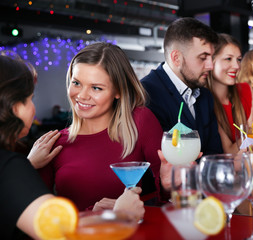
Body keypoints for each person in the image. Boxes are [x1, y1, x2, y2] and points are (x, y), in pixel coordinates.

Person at [0, 55, 144, 239]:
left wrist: (27, 166)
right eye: (29, 99)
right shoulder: (10, 167)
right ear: (12, 107)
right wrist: (120, 215)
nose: (33, 108)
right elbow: (63, 234)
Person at [37, 42, 163, 211]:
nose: (81, 95)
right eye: (76, 83)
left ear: (118, 91)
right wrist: (29, 166)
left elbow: (167, 196)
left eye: (96, 88)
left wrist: (136, 210)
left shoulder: (139, 122)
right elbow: (39, 219)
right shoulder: (53, 144)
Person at [141, 17, 223, 158]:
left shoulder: (205, 95)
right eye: (203, 57)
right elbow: (158, 161)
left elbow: (214, 153)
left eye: (211, 57)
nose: (210, 65)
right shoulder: (146, 95)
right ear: (176, 58)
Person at [206, 33, 253, 153]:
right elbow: (230, 152)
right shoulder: (205, 101)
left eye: (238, 59)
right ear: (211, 61)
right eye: (228, 59)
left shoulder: (246, 90)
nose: (237, 66)